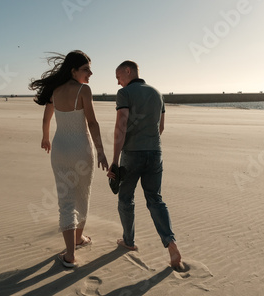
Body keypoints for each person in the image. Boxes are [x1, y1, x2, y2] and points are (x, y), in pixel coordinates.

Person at [29, 50, 108, 268]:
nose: (90, 73)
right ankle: (77, 241)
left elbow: (47, 117)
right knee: (82, 194)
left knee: (66, 199)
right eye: (85, 69)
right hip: (82, 149)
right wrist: (100, 150)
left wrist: (45, 137)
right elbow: (92, 123)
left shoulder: (55, 90)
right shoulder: (84, 90)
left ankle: (71, 251)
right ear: (73, 70)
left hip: (60, 149)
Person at [107, 60, 187, 272]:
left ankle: (129, 241)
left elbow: (121, 125)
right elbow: (161, 127)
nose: (118, 81)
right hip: (155, 153)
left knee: (125, 197)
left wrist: (115, 160)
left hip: (132, 154)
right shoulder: (157, 93)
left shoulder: (124, 94)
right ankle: (171, 244)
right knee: (155, 199)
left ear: (128, 70)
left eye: (118, 77)